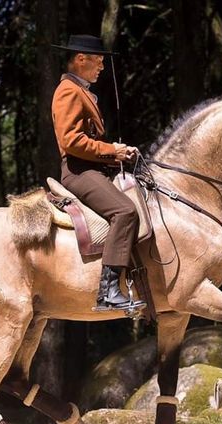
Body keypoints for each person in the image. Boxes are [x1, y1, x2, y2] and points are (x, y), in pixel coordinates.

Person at [51, 34, 144, 311]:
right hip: (79, 172)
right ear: (81, 59)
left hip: (93, 167)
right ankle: (108, 291)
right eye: (99, 61)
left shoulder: (81, 90)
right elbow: (71, 141)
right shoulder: (68, 90)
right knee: (125, 211)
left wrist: (119, 155)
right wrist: (111, 150)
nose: (102, 67)